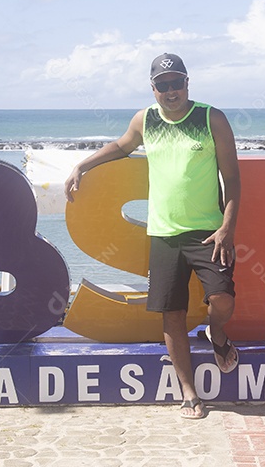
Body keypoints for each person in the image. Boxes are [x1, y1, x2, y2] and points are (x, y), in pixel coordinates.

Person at [64, 53, 240, 420]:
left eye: (177, 82)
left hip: (207, 231)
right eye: (163, 85)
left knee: (222, 299)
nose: (171, 91)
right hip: (162, 234)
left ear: (188, 83)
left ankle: (216, 333)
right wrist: (82, 164)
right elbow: (122, 146)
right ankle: (189, 393)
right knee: (171, 314)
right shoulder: (145, 120)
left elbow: (233, 178)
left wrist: (227, 227)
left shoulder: (211, 118)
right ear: (153, 88)